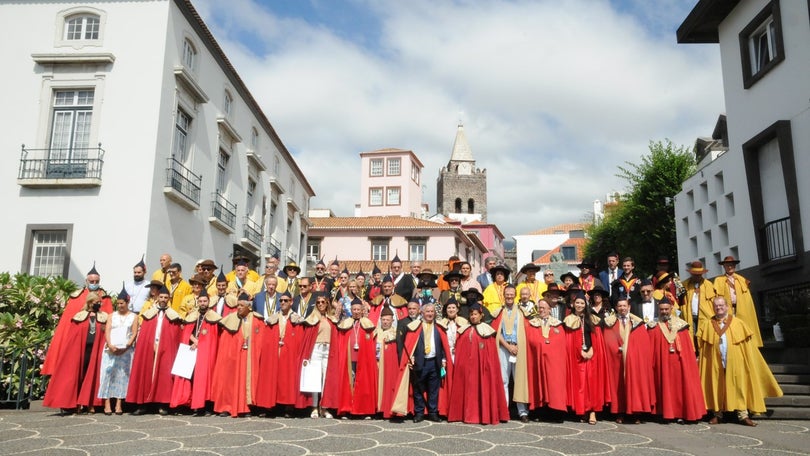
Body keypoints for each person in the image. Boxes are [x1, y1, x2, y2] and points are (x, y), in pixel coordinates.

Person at [697, 296, 782, 426]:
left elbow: (748, 346)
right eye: (716, 306)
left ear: (727, 307)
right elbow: (703, 347)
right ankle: (718, 414)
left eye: (721, 305)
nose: (718, 308)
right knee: (716, 386)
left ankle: (743, 415)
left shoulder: (738, 323)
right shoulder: (707, 325)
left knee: (739, 387)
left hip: (736, 362)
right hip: (715, 362)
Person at [43, 264, 113, 377]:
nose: (94, 284)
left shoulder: (105, 298)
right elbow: (66, 325)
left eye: (96, 281)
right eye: (92, 281)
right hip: (78, 341)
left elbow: (110, 323)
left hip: (97, 342)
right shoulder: (77, 297)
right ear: (86, 281)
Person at [43, 292, 107, 415]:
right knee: (79, 375)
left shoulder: (104, 316)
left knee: (93, 375)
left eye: (99, 302)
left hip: (96, 350)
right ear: (90, 302)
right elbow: (73, 337)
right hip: (82, 350)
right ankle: (77, 403)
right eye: (96, 302)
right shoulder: (79, 316)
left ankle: (90, 404)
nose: (98, 304)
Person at [446, 303, 509, 425]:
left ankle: (482, 415)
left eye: (475, 314)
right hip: (466, 369)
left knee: (482, 390)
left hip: (481, 369)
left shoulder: (487, 331)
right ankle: (464, 414)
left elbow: (491, 354)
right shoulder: (464, 330)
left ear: (481, 315)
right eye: (471, 314)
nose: (473, 317)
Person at [127, 286, 183, 415]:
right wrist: (151, 344)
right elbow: (145, 334)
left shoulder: (173, 316)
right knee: (145, 374)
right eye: (161, 297)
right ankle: (143, 405)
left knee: (164, 376)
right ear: (157, 298)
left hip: (165, 350)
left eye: (165, 297)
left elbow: (174, 336)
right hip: (150, 348)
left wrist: (164, 346)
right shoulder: (149, 314)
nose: (163, 299)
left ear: (169, 299)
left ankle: (162, 404)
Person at [649, 299, 706, 423]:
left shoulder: (681, 326)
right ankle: (665, 412)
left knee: (680, 388)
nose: (664, 312)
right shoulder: (653, 326)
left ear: (671, 309)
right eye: (661, 309)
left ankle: (680, 412)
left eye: (666, 309)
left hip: (679, 364)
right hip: (662, 364)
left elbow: (687, 349)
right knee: (663, 387)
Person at [321, 298, 378, 418]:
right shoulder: (345, 324)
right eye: (354, 309)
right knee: (348, 385)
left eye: (358, 309)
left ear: (362, 310)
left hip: (363, 359)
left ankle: (362, 410)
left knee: (362, 385)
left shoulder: (368, 324)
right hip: (348, 358)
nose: (356, 311)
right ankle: (347, 409)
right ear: (351, 310)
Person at [211, 293, 265, 417]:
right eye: (238, 305)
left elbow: (261, 339)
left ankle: (246, 407)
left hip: (250, 357)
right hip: (234, 357)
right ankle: (227, 406)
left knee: (248, 382)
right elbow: (225, 342)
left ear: (248, 307)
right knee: (230, 382)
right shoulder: (231, 319)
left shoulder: (257, 319)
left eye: (241, 305)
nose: (239, 308)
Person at [601, 297, 655, 424]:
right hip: (616, 360)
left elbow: (643, 344)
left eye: (624, 306)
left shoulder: (637, 323)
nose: (622, 308)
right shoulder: (610, 322)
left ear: (629, 307)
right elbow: (607, 340)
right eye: (619, 306)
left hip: (633, 361)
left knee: (635, 384)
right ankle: (620, 412)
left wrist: (632, 352)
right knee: (617, 386)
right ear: (616, 308)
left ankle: (636, 412)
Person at [170, 288, 221, 415]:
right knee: (189, 377)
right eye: (201, 301)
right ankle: (187, 404)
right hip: (191, 350)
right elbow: (187, 331)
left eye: (205, 301)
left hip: (206, 352)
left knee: (204, 378)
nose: (203, 303)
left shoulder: (214, 317)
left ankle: (204, 406)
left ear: (209, 302)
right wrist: (194, 340)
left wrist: (200, 343)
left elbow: (213, 337)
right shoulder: (192, 315)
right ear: (197, 302)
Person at [396, 303, 448, 422]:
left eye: (431, 312)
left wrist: (444, 359)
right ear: (422, 313)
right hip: (420, 362)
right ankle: (419, 413)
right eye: (427, 312)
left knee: (433, 389)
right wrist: (412, 357)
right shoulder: (416, 327)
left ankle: (433, 412)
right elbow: (410, 344)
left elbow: (444, 345)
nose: (430, 314)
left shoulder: (439, 327)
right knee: (418, 389)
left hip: (434, 362)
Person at [563, 291, 610, 424]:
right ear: (573, 304)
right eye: (577, 302)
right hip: (577, 357)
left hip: (591, 356)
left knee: (592, 384)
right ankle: (583, 410)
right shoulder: (569, 320)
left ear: (585, 304)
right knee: (580, 385)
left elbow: (597, 338)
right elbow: (569, 342)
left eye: (582, 303)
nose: (579, 305)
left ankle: (593, 412)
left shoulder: (593, 319)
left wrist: (592, 350)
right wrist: (579, 351)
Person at [492, 285, 531, 422]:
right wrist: (508, 346)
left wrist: (516, 346)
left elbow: (527, 331)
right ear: (503, 295)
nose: (509, 296)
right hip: (504, 347)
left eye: (511, 294)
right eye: (507, 294)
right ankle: (504, 410)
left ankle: (522, 411)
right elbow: (496, 332)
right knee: (503, 380)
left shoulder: (522, 312)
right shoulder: (498, 312)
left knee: (520, 378)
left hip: (519, 348)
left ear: (515, 295)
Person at [98, 287, 139, 415]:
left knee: (122, 376)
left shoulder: (134, 316)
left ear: (127, 303)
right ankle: (107, 403)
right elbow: (108, 330)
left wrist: (127, 346)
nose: (120, 305)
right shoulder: (111, 316)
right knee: (108, 373)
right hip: (111, 349)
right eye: (118, 303)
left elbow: (134, 332)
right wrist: (110, 344)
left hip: (126, 350)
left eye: (122, 303)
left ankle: (119, 403)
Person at [525, 299, 567, 420]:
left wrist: (546, 344)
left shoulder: (557, 324)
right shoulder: (532, 323)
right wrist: (543, 344)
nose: (541, 310)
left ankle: (556, 412)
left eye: (544, 308)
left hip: (554, 362)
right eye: (540, 308)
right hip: (537, 359)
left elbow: (560, 341)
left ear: (550, 309)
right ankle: (539, 411)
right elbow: (531, 339)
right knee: (538, 383)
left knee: (554, 384)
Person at [713, 256, 763, 347]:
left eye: (731, 265)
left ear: (735, 266)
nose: (729, 267)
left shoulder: (742, 280)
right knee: (729, 329)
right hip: (727, 310)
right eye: (727, 265)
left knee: (743, 328)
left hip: (741, 309)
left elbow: (747, 299)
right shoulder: (718, 280)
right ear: (724, 267)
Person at [303, 294, 334, 419]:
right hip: (316, 349)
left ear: (327, 304)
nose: (321, 304)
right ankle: (314, 407)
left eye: (323, 302)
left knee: (326, 379)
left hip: (328, 350)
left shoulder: (331, 318)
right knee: (315, 379)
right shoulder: (312, 318)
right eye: (318, 302)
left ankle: (324, 407)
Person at [375, 306, 400, 419]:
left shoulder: (395, 334)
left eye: (387, 320)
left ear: (392, 321)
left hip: (389, 365)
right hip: (377, 363)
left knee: (389, 387)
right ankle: (377, 408)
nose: (385, 322)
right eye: (383, 320)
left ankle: (387, 408)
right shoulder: (375, 332)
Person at [681, 260, 716, 339]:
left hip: (705, 317)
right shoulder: (684, 285)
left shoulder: (709, 285)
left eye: (699, 274)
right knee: (691, 337)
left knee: (704, 336)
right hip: (690, 316)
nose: (697, 276)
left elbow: (714, 301)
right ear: (691, 273)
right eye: (695, 274)